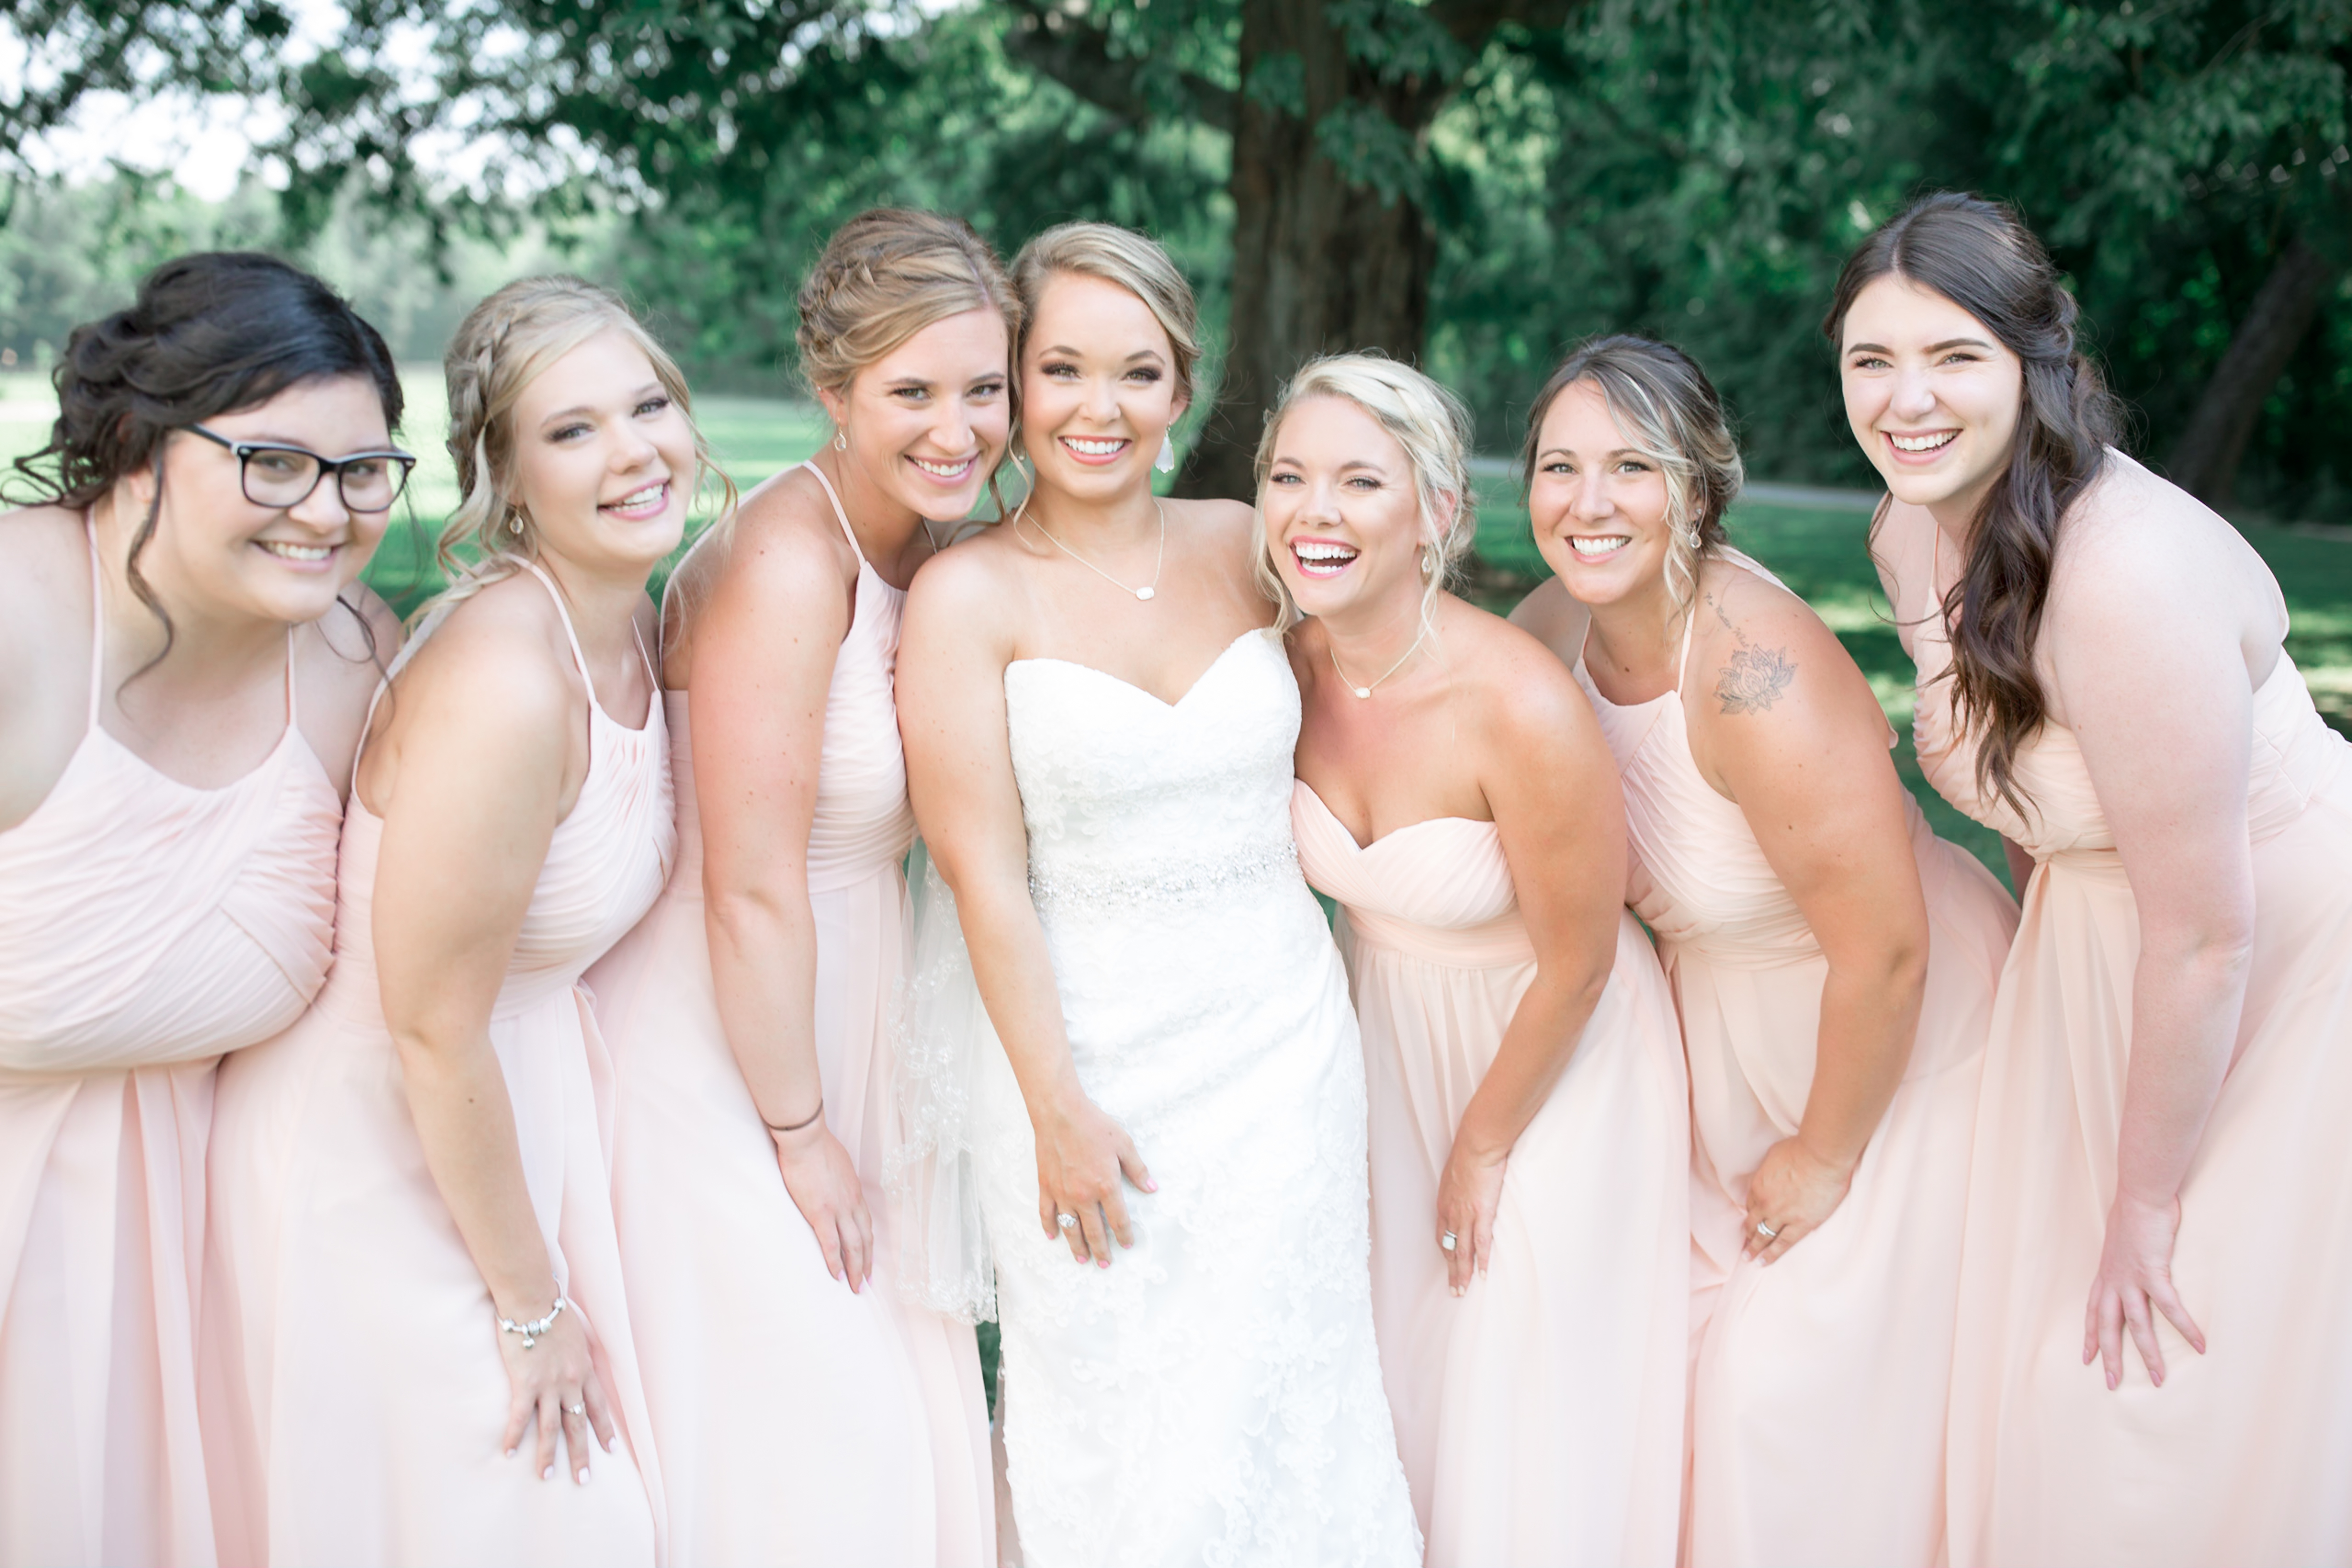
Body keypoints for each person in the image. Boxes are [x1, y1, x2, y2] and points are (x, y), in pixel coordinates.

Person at [1836, 192, 2352, 1567]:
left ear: (2036, 361)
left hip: (2277, 960)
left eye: (1952, 357)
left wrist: (2143, 1205)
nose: (1905, 401)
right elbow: (2017, 787)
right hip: (2100, 948)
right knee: (2037, 1350)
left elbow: (2205, 936)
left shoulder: (2123, 577)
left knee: (2153, 1392)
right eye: (1871, 360)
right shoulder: (1908, 532)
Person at [894, 223, 1421, 1567]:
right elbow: (982, 879)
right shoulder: (965, 596)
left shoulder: (1248, 543)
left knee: (1290, 1405)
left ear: (1183, 388)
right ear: (1017, 384)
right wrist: (1056, 1110)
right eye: (1063, 369)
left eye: (1137, 372)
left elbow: (1401, 674)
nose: (1101, 408)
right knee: (1128, 1438)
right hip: (1088, 1073)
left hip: (1282, 1059)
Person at [204, 276, 704, 1565]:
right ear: (507, 478)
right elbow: (431, 1029)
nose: (634, 451)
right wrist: (532, 1310)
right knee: (544, 1519)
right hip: (376, 1151)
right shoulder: (506, 682)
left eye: (648, 406)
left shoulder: (631, 624)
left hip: (506, 1124)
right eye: (573, 430)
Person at [1511, 335, 2017, 1567]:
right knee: (1668, 1367)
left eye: (1632, 467)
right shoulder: (1551, 629)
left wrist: (1825, 1156)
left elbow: (1885, 952)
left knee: (1779, 1401)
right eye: (1559, 467)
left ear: (1698, 486)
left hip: (1895, 1041)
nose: (1588, 502)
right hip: (1725, 1046)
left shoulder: (1754, 674)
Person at [583, 209, 1007, 1566]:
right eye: (912, 392)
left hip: (851, 1002)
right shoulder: (788, 561)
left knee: (869, 1414)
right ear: (833, 389)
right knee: (812, 1424)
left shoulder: (931, 541)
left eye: (984, 389)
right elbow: (750, 886)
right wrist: (799, 1130)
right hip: (733, 1035)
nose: (957, 428)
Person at [0, 252, 406, 1568]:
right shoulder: (15, 624)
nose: (325, 512)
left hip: (224, 1248)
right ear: (139, 446)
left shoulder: (353, 662)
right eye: (274, 463)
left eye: (362, 471)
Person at [1267, 353, 1690, 1567]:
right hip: (1385, 1040)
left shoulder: (1518, 704)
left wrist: (1485, 1144)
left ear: (1438, 512)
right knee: (1394, 1380)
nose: (1315, 512)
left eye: (1360, 482)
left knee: (1513, 1390)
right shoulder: (1280, 669)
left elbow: (1581, 960)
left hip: (1553, 1054)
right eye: (1289, 477)